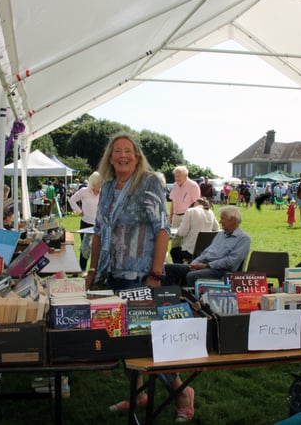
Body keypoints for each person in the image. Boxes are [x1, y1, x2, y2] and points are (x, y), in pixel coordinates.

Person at [87, 132, 194, 421]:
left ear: (137, 156)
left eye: (128, 151)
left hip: (142, 274)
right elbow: (98, 231)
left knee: (150, 339)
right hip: (113, 274)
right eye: (117, 151)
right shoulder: (108, 187)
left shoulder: (148, 183)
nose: (123, 156)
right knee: (123, 338)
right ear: (110, 157)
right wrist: (93, 270)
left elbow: (162, 229)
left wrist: (156, 273)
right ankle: (138, 394)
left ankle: (181, 390)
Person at [164, 205, 251, 289]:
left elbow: (231, 262)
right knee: (168, 268)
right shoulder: (221, 234)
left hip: (221, 271)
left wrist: (206, 266)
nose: (220, 222)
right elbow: (207, 252)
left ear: (232, 219)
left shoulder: (243, 238)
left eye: (223, 219)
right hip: (205, 266)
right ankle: (171, 298)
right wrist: (193, 264)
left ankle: (193, 301)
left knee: (192, 275)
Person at [68, 171, 102, 272]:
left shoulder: (103, 192)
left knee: (97, 248)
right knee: (85, 247)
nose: (98, 187)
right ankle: (82, 269)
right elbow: (72, 200)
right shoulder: (84, 191)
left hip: (98, 224)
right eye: (96, 184)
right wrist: (79, 211)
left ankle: (95, 270)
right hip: (86, 222)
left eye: (100, 185)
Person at [170, 197, 219, 263]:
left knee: (174, 251)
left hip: (190, 251)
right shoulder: (210, 212)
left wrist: (180, 227)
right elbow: (216, 229)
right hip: (205, 250)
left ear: (196, 203)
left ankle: (180, 270)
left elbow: (182, 233)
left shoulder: (190, 211)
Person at [169, 166, 201, 251]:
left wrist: (190, 219)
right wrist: (170, 218)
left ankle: (183, 262)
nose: (177, 178)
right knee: (175, 241)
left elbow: (197, 204)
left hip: (187, 216)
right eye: (175, 176)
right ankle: (176, 262)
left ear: (186, 175)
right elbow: (173, 202)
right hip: (176, 216)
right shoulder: (175, 185)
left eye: (179, 175)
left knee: (184, 241)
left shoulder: (193, 185)